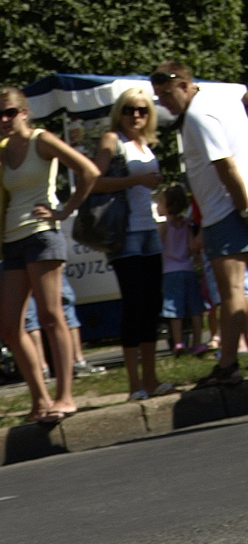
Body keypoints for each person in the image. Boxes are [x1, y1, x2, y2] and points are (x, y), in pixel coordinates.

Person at [0, 86, 98, 422]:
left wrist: (64, 211)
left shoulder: (42, 140)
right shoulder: (2, 149)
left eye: (10, 112)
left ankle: (65, 396)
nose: (4, 120)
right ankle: (40, 399)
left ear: (24, 112)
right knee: (9, 326)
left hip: (41, 236)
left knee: (51, 317)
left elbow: (89, 172)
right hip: (12, 239)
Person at [152, 62, 248, 386]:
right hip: (227, 210)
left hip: (228, 211)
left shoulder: (197, 115)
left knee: (231, 291)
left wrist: (244, 209)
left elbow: (225, 166)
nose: (163, 102)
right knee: (238, 292)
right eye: (158, 96)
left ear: (184, 84)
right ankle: (229, 363)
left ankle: (228, 364)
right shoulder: (224, 96)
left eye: (166, 93)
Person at [89, 85, 173, 400]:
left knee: (152, 305)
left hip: (149, 230)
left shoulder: (145, 143)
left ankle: (151, 378)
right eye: (128, 110)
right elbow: (95, 181)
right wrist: (136, 179)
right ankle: (134, 383)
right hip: (126, 235)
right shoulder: (113, 140)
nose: (135, 116)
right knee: (134, 305)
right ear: (119, 114)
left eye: (141, 110)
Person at [160, 184, 206, 355]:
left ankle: (178, 342)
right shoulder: (186, 225)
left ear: (166, 205)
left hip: (170, 271)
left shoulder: (164, 226)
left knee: (174, 310)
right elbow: (191, 248)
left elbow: (158, 246)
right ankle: (198, 342)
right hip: (188, 269)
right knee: (195, 308)